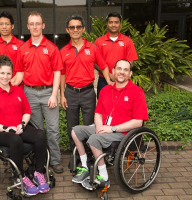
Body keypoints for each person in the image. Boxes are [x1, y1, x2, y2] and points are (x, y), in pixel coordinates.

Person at [70, 59, 148, 190]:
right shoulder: (105, 90)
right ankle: (84, 166)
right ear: (113, 71)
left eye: (125, 70)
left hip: (123, 132)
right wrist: (100, 127)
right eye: (119, 69)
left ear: (130, 73)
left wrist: (112, 128)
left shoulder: (137, 92)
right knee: (75, 131)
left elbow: (138, 121)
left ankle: (104, 177)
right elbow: (98, 113)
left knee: (94, 140)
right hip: (104, 127)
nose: (121, 72)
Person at [0, 55, 49, 196]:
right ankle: (21, 176)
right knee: (15, 139)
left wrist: (23, 124)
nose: (5, 77)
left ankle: (38, 172)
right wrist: (6, 129)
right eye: (2, 73)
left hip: (18, 127)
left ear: (12, 74)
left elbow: (27, 112)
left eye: (8, 73)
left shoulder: (18, 91)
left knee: (40, 134)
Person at [11, 11, 64, 174]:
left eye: (38, 23)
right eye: (31, 24)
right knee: (37, 132)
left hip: (48, 92)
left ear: (43, 25)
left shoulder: (52, 48)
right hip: (30, 93)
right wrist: (9, 82)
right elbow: (19, 73)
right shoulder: (22, 49)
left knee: (53, 129)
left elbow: (57, 72)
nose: (35, 26)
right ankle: (41, 159)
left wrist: (54, 94)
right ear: (28, 26)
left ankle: (55, 160)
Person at [60, 14, 112, 151]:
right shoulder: (63, 51)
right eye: (72, 27)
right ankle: (75, 155)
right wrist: (62, 95)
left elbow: (103, 66)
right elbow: (62, 74)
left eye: (78, 27)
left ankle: (89, 154)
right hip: (70, 92)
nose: (75, 29)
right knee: (72, 126)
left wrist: (108, 82)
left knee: (89, 126)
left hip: (88, 92)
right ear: (67, 30)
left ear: (83, 29)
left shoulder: (93, 48)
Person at [94, 12, 138, 98]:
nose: (113, 25)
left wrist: (119, 74)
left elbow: (131, 62)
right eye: (110, 22)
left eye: (116, 22)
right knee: (103, 107)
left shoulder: (127, 41)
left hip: (123, 79)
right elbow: (95, 63)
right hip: (103, 80)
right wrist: (109, 75)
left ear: (120, 24)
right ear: (107, 24)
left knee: (123, 107)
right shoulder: (99, 41)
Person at [0, 11, 24, 82]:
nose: (4, 27)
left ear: (12, 26)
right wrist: (1, 81)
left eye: (7, 24)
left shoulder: (21, 45)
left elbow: (23, 67)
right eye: (1, 24)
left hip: (17, 86)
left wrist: (12, 82)